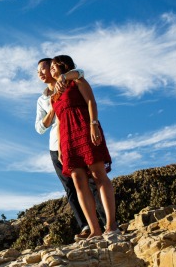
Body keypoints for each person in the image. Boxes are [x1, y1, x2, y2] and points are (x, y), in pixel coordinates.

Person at [35, 58, 105, 241]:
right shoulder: (43, 100)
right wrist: (51, 112)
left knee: (92, 181)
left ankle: (107, 222)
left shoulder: (70, 82)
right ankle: (86, 226)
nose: (41, 73)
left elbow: (80, 74)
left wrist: (93, 124)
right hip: (56, 145)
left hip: (76, 135)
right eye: (39, 71)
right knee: (71, 187)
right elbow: (39, 128)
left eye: (45, 69)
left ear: (55, 69)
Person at [49, 55, 118, 240]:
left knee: (98, 175)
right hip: (67, 137)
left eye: (55, 65)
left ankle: (111, 226)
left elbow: (91, 102)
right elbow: (59, 122)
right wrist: (61, 149)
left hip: (84, 127)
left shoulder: (78, 80)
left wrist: (93, 124)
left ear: (64, 66)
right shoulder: (53, 96)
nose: (52, 69)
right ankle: (95, 230)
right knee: (79, 181)